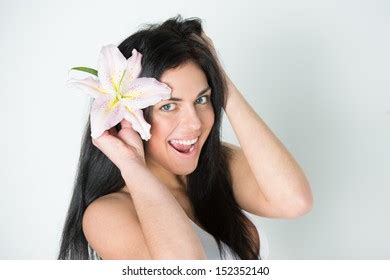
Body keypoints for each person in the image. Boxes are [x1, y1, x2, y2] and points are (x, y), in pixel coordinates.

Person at [58, 15, 313, 260]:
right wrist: (131, 165)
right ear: (130, 115)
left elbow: (294, 201)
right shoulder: (107, 214)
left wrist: (222, 83)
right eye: (168, 106)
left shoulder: (218, 165)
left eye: (202, 99)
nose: (195, 123)